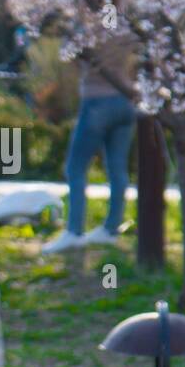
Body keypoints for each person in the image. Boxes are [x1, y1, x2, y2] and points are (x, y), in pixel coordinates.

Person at [42, 28, 138, 254]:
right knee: (117, 168)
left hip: (96, 101)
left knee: (75, 167)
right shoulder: (123, 24)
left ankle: (74, 231)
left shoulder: (88, 24)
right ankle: (111, 228)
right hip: (125, 100)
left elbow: (70, 54)